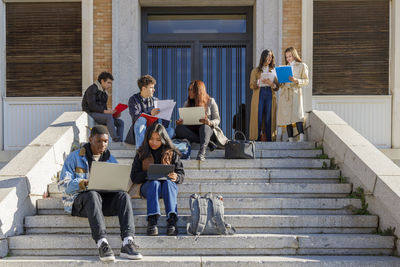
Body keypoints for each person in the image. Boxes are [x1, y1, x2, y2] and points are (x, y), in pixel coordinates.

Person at [58, 125, 142, 262]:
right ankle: (102, 243)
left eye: (106, 141)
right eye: (99, 141)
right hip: (80, 203)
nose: (103, 144)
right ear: (91, 139)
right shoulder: (75, 157)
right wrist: (83, 183)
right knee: (92, 194)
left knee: (124, 196)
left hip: (102, 203)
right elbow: (63, 185)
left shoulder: (111, 159)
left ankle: (127, 242)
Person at [130, 123, 184, 236]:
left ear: (163, 139)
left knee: (168, 184)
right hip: (149, 187)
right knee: (154, 183)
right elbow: (134, 176)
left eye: (158, 139)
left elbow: (181, 173)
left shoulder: (171, 152)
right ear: (147, 138)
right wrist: (148, 174)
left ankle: (172, 221)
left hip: (167, 187)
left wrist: (177, 176)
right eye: (151, 139)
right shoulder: (141, 153)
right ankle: (152, 221)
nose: (154, 142)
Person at [175, 80, 228, 161]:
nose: (189, 92)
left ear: (198, 91)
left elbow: (217, 119)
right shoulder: (187, 103)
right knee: (179, 129)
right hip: (193, 133)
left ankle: (202, 152)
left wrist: (209, 122)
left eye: (191, 90)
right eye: (188, 89)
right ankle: (209, 143)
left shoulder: (211, 101)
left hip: (208, 132)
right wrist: (181, 122)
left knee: (204, 127)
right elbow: (184, 119)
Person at [128, 74, 174, 147]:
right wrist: (150, 113)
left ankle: (159, 149)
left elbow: (164, 125)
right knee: (141, 120)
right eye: (151, 87)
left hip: (154, 132)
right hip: (141, 132)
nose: (154, 90)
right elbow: (135, 116)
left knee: (170, 130)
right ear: (144, 88)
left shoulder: (156, 100)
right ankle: (141, 151)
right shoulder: (133, 99)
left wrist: (167, 116)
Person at [276, 47, 309, 142]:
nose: (288, 59)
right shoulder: (285, 67)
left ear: (294, 55)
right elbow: (282, 85)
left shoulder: (302, 66)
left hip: (295, 93)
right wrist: (280, 80)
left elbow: (306, 81)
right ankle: (290, 138)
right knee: (286, 117)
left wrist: (296, 80)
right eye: (286, 57)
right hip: (285, 94)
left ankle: (301, 137)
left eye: (290, 56)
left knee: (297, 115)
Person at [82, 72, 124, 142]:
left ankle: (119, 141)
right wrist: (107, 112)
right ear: (102, 81)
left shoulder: (105, 93)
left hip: (99, 114)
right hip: (90, 113)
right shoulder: (92, 89)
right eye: (108, 83)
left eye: (111, 83)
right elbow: (92, 106)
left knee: (120, 122)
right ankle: (115, 138)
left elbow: (104, 109)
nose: (110, 85)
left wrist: (114, 114)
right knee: (108, 117)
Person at [249, 49, 279, 141]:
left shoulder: (273, 70)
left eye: (271, 56)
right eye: (268, 56)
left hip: (270, 93)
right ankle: (256, 139)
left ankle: (270, 139)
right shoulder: (256, 70)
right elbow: (251, 85)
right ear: (263, 57)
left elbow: (277, 87)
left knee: (269, 117)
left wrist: (271, 84)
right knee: (258, 117)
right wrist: (259, 81)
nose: (270, 58)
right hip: (260, 93)